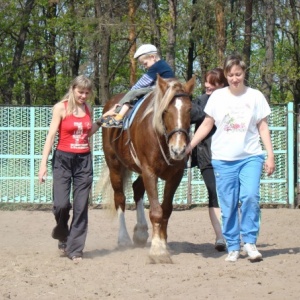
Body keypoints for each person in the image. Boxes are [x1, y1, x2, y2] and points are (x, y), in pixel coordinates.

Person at [186, 54, 275, 262]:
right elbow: (207, 124)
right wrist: (190, 145)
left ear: (244, 73)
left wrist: (269, 155)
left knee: (251, 197)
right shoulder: (218, 97)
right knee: (228, 203)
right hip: (223, 159)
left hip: (251, 156)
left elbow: (263, 127)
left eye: (238, 74)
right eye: (231, 74)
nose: (235, 78)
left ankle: (250, 242)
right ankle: (233, 245)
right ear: (226, 75)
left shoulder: (255, 96)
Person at [38, 75, 115, 263]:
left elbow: (88, 132)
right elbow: (50, 136)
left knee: (81, 207)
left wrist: (105, 118)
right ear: (73, 89)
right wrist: (43, 165)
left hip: (83, 160)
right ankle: (63, 232)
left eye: (87, 93)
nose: (84, 96)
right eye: (81, 92)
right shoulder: (60, 108)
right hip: (63, 159)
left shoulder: (88, 108)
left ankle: (75, 250)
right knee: (61, 205)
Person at [190, 68, 228, 252]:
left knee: (231, 195)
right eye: (207, 82)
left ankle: (234, 233)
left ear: (223, 85)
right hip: (207, 155)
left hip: (229, 155)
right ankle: (220, 237)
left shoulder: (233, 101)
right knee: (214, 192)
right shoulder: (200, 101)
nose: (207, 86)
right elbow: (190, 116)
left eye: (213, 84)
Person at [101, 43, 175, 128]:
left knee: (132, 94)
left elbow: (142, 83)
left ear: (152, 57)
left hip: (161, 90)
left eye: (145, 63)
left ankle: (118, 117)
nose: (145, 67)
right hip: (166, 89)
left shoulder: (156, 67)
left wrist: (132, 90)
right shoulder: (163, 65)